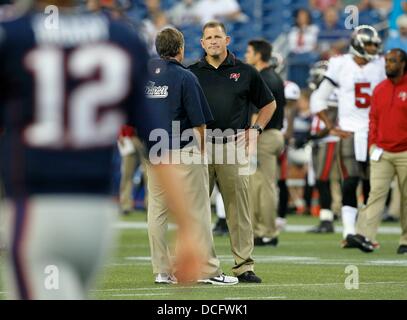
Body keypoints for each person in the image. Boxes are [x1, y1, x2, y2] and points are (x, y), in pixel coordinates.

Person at [0, 0, 203, 299]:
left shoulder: (13, 36)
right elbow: (156, 140)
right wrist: (186, 226)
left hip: (38, 208)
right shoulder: (121, 37)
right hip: (96, 217)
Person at [145, 27, 237, 285]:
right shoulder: (186, 77)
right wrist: (202, 151)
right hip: (182, 148)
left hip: (154, 150)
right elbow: (199, 121)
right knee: (197, 211)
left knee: (157, 212)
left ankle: (162, 271)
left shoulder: (147, 77)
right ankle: (207, 271)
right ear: (181, 49)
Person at [189, 21, 276, 283]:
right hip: (199, 147)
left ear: (227, 40)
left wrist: (256, 130)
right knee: (196, 210)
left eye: (218, 36)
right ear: (202, 43)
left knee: (239, 210)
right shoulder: (191, 72)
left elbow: (269, 104)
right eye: (208, 38)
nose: (213, 41)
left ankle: (243, 266)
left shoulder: (246, 71)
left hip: (232, 146)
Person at [311, 25, 386, 247]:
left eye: (375, 45)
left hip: (374, 133)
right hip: (350, 131)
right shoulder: (340, 64)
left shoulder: (381, 65)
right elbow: (318, 98)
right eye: (370, 45)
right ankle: (349, 232)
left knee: (372, 185)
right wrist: (331, 126)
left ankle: (367, 233)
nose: (374, 49)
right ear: (358, 45)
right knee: (350, 181)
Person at [346, 48, 407, 254]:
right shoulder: (380, 88)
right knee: (375, 194)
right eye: (387, 61)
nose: (388, 64)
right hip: (381, 151)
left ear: (403, 64)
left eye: (393, 61)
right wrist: (373, 143)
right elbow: (373, 119)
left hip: (405, 151)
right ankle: (365, 236)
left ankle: (405, 240)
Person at [245, 39, 286, 246]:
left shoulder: (261, 78)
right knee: (262, 185)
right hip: (274, 134)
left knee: (264, 186)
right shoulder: (275, 77)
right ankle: (262, 230)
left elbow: (257, 112)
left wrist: (251, 141)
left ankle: (267, 231)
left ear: (259, 55)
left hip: (263, 136)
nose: (246, 55)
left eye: (249, 51)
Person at [307, 60, 341, 233]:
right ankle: (325, 219)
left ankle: (327, 221)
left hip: (328, 141)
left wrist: (313, 136)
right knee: (319, 180)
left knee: (322, 179)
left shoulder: (332, 93)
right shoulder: (320, 94)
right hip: (320, 141)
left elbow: (331, 121)